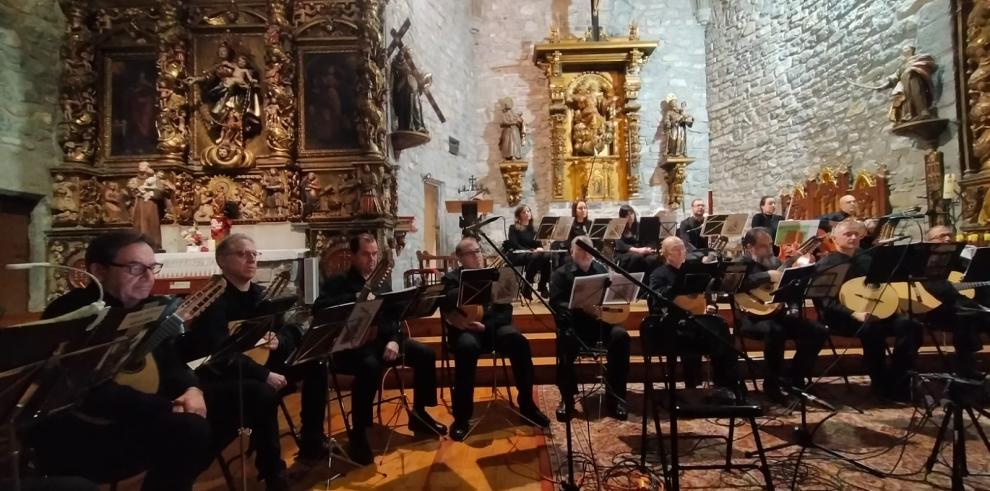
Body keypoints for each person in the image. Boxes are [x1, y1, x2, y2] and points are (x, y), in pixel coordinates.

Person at [24, 230, 213, 491]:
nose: (149, 278)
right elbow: (89, 392)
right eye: (136, 268)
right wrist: (169, 406)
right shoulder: (73, 312)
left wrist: (192, 389)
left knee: (229, 398)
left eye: (152, 268)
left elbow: (170, 362)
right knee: (190, 430)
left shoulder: (147, 307)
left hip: (132, 416)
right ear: (99, 271)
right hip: (83, 431)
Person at [174, 234, 324, 480]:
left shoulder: (261, 295)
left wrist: (279, 340)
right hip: (223, 373)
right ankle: (272, 472)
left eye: (254, 254)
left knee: (315, 363)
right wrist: (264, 374)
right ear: (222, 261)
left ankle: (312, 443)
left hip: (259, 363)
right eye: (243, 254)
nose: (252, 259)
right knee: (263, 392)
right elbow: (218, 354)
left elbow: (292, 329)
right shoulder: (213, 301)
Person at [315, 234, 446, 463]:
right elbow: (319, 309)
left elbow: (394, 318)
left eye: (375, 254)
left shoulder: (382, 283)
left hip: (383, 342)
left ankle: (419, 414)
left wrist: (395, 340)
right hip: (352, 348)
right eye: (366, 254)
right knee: (370, 366)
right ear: (352, 255)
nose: (372, 259)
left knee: (425, 354)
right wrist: (354, 297)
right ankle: (358, 433)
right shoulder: (338, 282)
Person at [441, 237, 550, 441]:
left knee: (519, 342)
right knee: (465, 348)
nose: (478, 256)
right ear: (460, 258)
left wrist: (487, 326)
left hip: (492, 328)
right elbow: (445, 302)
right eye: (471, 253)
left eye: (479, 251)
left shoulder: (496, 275)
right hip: (467, 332)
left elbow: (505, 313)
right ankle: (462, 417)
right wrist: (474, 282)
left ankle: (527, 405)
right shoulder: (451, 278)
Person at [813, 220, 922, 400]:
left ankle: (899, 379)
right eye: (848, 234)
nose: (853, 237)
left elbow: (883, 287)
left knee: (911, 326)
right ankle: (880, 383)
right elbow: (826, 302)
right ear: (834, 238)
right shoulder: (827, 264)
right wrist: (854, 313)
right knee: (872, 330)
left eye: (856, 234)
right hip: (842, 317)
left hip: (874, 309)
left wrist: (893, 306)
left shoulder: (867, 258)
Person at [736, 228, 828, 402]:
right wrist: (767, 276)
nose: (769, 250)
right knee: (775, 331)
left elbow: (790, 289)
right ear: (749, 247)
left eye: (770, 245)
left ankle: (795, 379)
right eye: (763, 246)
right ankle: (772, 385)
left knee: (818, 331)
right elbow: (733, 285)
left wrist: (794, 308)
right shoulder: (741, 263)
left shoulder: (775, 262)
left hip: (777, 314)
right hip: (750, 318)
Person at [647, 236, 741, 400]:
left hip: (698, 319)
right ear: (666, 253)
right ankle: (701, 385)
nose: (681, 252)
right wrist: (677, 287)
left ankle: (726, 385)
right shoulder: (658, 274)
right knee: (713, 331)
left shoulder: (695, 271)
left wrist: (711, 305)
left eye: (683, 248)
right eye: (676, 249)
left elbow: (706, 294)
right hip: (674, 325)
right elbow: (658, 300)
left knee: (721, 327)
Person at [549, 235, 630, 421]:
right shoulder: (561, 274)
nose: (585, 253)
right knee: (565, 340)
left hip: (600, 323)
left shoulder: (601, 270)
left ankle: (616, 396)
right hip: (575, 325)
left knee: (621, 336)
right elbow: (556, 303)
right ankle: (567, 398)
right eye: (580, 249)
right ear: (572, 252)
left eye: (589, 249)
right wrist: (579, 307)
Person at [919, 225, 988, 379]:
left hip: (961, 304)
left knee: (972, 313)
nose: (947, 239)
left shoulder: (959, 256)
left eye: (950, 235)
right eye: (942, 236)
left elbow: (972, 277)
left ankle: (968, 369)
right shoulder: (921, 261)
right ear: (929, 241)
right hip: (933, 308)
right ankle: (966, 369)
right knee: (964, 316)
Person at [506, 204, 552, 299]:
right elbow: (514, 244)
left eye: (528, 211)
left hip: (533, 255)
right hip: (518, 254)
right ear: (518, 215)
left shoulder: (534, 229)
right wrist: (530, 251)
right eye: (524, 212)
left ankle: (542, 285)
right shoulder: (513, 228)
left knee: (547, 256)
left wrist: (540, 248)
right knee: (537, 256)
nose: (527, 213)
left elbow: (538, 245)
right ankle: (528, 284)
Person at [614, 204, 659, 275]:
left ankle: (646, 280)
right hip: (624, 253)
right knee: (637, 257)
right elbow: (621, 245)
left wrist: (648, 249)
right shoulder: (618, 227)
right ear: (622, 216)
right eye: (627, 215)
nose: (630, 217)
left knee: (652, 259)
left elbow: (647, 240)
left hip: (640, 250)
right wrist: (638, 250)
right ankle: (632, 279)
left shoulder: (639, 225)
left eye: (631, 213)